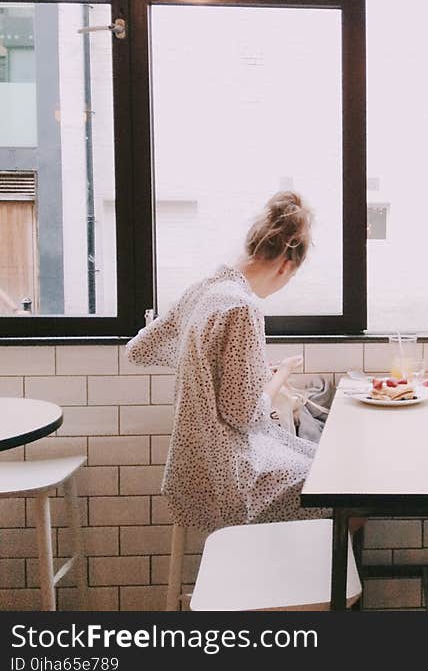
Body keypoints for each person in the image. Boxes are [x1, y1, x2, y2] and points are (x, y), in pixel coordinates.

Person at [125, 191, 331, 532]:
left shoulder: (204, 289)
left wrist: (221, 369)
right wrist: (279, 375)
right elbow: (245, 414)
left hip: (189, 469)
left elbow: (142, 348)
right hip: (230, 478)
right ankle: (303, 584)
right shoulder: (241, 308)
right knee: (342, 491)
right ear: (285, 265)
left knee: (323, 467)